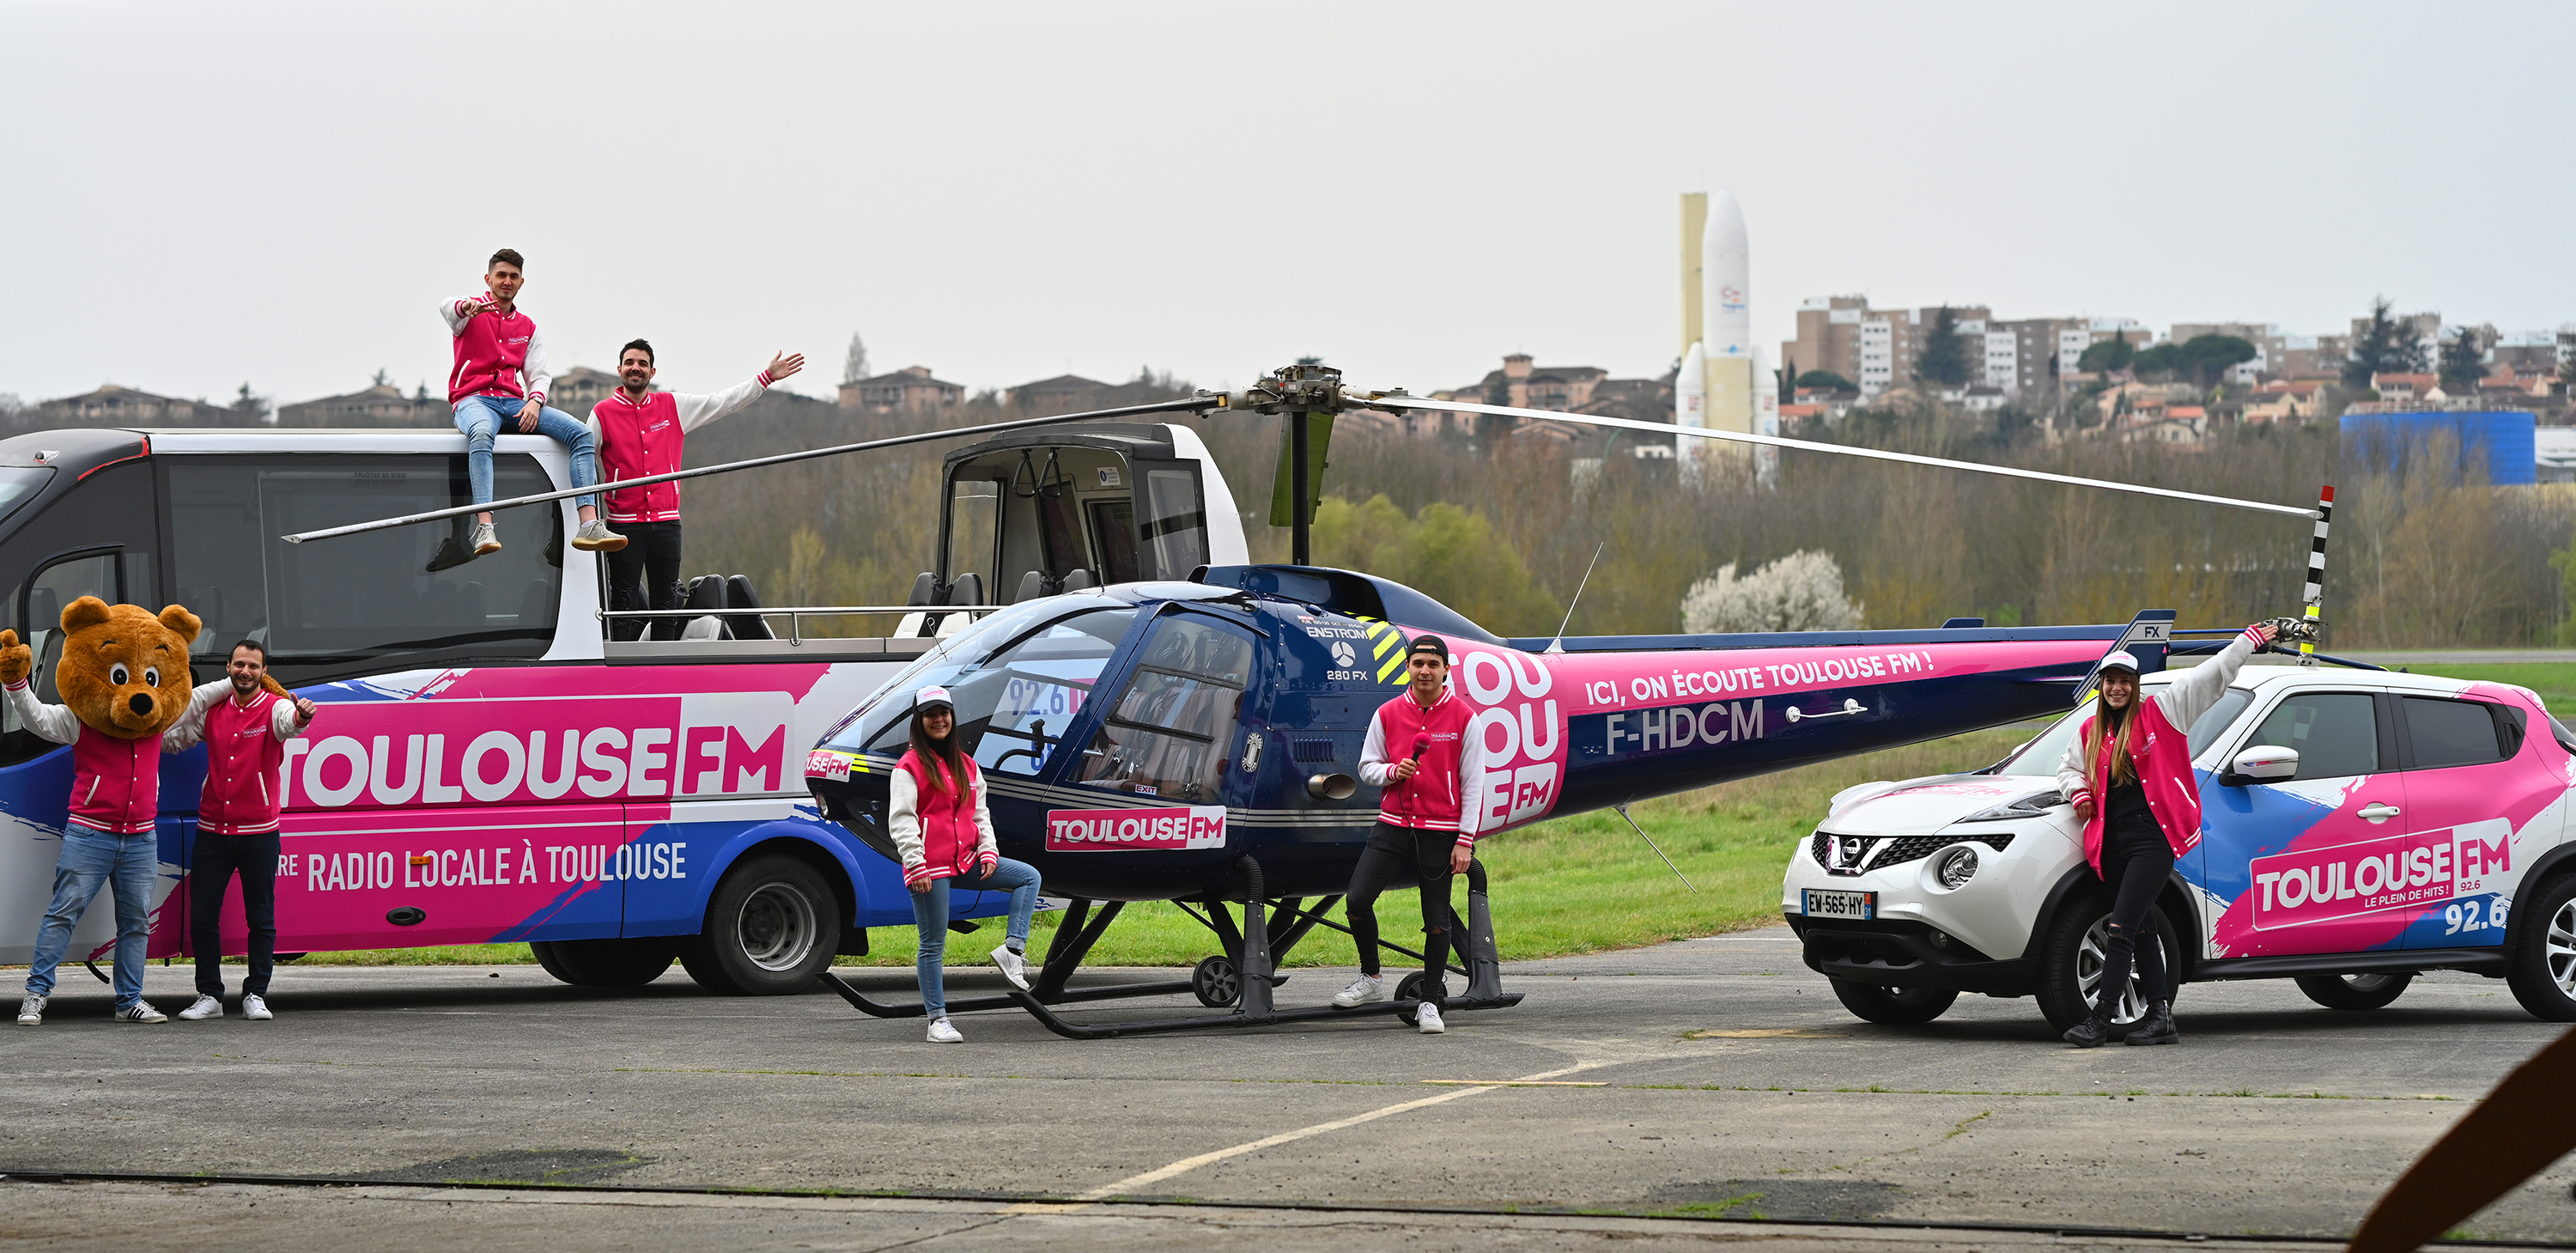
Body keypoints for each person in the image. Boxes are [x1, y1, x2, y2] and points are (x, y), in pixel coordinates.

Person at [2055, 621, 2279, 1048]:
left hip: (2151, 840)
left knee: (2119, 928)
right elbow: (2067, 769)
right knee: (2140, 930)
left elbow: (2211, 675)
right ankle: (2161, 1017)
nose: (2116, 689)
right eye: (2110, 682)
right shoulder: (2090, 731)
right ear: (2100, 686)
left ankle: (2099, 1020)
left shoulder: (2164, 711)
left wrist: (2246, 642)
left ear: (2135, 686)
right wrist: (2079, 791)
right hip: (2113, 843)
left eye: (2124, 682)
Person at [12, 665, 232, 1026]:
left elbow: (198, 697)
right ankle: (36, 994)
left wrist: (243, 680)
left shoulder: (155, 719)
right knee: (62, 914)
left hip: (141, 838)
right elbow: (37, 718)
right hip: (90, 834)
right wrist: (15, 685)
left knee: (136, 923)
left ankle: (128, 1001)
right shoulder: (82, 718)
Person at [590, 338, 804, 641]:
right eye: (629, 363)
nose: (635, 368)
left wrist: (765, 378)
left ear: (652, 372)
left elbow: (722, 402)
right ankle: (621, 678)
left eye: (642, 364)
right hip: (623, 527)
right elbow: (584, 463)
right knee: (622, 603)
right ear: (619, 370)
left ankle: (662, 675)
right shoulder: (602, 413)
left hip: (666, 524)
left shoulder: (672, 406)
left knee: (666, 605)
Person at [1334, 636, 1490, 1035]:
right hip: (1392, 826)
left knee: (1437, 921)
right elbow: (1367, 767)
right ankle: (1371, 977)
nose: (1425, 671)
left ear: (1445, 671)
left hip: (1440, 833)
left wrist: (1465, 841)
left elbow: (1474, 783)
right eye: (1418, 663)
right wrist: (1391, 772)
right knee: (1356, 900)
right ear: (1408, 667)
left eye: (1433, 665)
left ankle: (1430, 1002)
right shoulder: (1387, 713)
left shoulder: (1463, 717)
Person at [436, 247, 625, 568]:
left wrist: (535, 402)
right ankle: (484, 526)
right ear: (489, 279)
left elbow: (539, 374)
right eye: (501, 275)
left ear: (522, 282)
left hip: (513, 403)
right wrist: (466, 307)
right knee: (481, 434)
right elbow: (448, 308)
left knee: (580, 435)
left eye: (513, 276)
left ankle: (589, 524)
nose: (506, 281)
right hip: (473, 400)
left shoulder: (527, 327)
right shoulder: (469, 314)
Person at [163, 641, 317, 1022]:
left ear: (264, 672)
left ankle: (256, 994)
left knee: (260, 917)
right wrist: (145, 731)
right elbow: (174, 737)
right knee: (202, 917)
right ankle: (210, 995)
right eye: (239, 665)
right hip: (212, 830)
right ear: (228, 668)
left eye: (253, 666)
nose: (245, 672)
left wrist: (301, 717)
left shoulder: (275, 707)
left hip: (259, 833)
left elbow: (289, 725)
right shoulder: (214, 711)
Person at [889, 686, 1043, 1043]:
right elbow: (901, 820)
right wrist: (915, 863)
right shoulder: (908, 767)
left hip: (967, 860)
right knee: (933, 944)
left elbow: (979, 814)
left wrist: (988, 850)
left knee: (1027, 877)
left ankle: (1012, 950)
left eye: (943, 712)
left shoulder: (967, 765)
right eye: (930, 714)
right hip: (930, 867)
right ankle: (936, 1021)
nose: (938, 719)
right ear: (919, 721)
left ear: (952, 717)